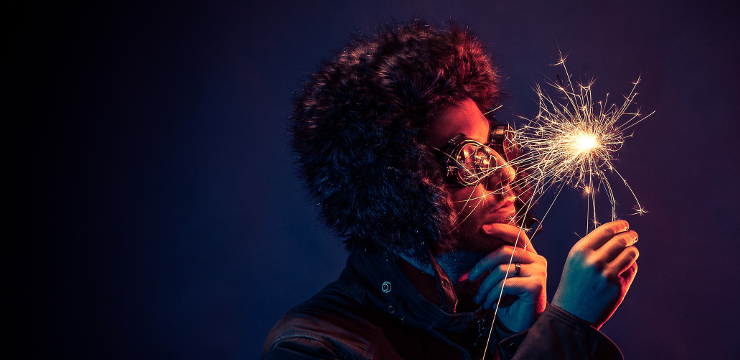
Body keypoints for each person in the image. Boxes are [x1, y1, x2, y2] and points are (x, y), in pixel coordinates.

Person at [263, 20, 640, 360]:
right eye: (467, 158)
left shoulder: (497, 312)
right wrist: (565, 330)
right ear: (400, 191)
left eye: (493, 145)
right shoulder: (313, 349)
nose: (506, 172)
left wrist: (516, 338)